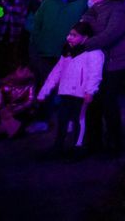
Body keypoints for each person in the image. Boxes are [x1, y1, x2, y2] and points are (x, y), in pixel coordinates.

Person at [78, 0, 125, 156]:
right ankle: (94, 141)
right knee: (94, 103)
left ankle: (113, 143)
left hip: (114, 63)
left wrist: (85, 43)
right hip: (98, 63)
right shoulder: (93, 11)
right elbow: (83, 27)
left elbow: (110, 34)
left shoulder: (118, 11)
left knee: (109, 103)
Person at [35, 21, 103, 156]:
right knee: (62, 120)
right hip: (66, 92)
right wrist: (44, 91)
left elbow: (95, 74)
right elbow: (56, 72)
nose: (69, 37)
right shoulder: (68, 53)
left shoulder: (94, 53)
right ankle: (58, 146)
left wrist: (90, 91)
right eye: (69, 34)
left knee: (79, 120)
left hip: (80, 93)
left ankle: (78, 147)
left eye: (74, 35)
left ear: (85, 37)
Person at [29, 0, 88, 87]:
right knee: (45, 87)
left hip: (69, 55)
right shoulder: (50, 1)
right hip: (46, 53)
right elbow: (37, 24)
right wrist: (36, 44)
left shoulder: (85, 1)